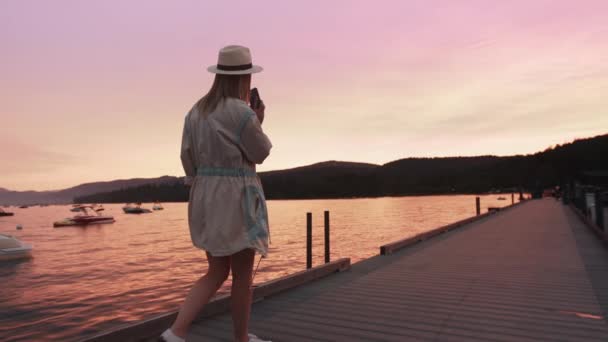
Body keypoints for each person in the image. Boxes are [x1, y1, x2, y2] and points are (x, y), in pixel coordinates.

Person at [160, 45, 272, 342]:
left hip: (205, 195)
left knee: (216, 270)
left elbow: (187, 158)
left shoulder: (196, 112)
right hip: (237, 198)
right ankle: (240, 339)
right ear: (245, 78)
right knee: (243, 275)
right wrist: (258, 121)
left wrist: (202, 185)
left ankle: (176, 331)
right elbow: (260, 153)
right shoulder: (242, 113)